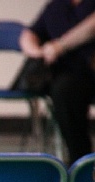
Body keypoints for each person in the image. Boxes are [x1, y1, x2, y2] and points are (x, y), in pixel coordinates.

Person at [20, 0, 95, 164]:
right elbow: (30, 34)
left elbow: (91, 26)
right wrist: (36, 51)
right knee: (63, 90)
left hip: (90, 70)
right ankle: (81, 162)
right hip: (68, 77)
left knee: (66, 87)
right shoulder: (56, 7)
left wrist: (60, 46)